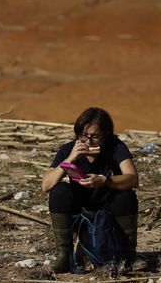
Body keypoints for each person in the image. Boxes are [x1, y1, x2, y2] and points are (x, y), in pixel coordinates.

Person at [41, 107, 148, 273]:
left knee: (126, 195)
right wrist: (70, 159)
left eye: (95, 136)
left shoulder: (116, 147)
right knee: (59, 190)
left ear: (106, 135)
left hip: (109, 211)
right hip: (80, 210)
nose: (88, 141)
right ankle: (64, 256)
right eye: (83, 135)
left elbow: (133, 178)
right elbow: (46, 185)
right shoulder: (68, 149)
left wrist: (105, 181)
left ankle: (129, 255)